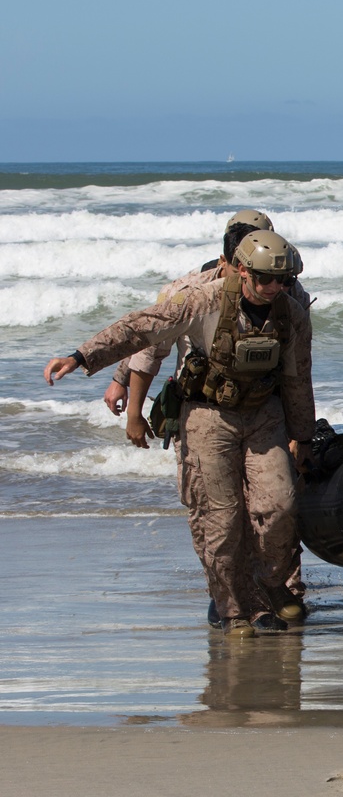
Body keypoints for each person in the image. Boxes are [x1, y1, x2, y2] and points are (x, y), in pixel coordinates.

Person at [44, 229, 314, 639]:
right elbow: (141, 329)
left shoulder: (289, 311)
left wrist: (304, 436)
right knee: (220, 520)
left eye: (284, 280)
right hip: (208, 416)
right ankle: (233, 610)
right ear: (242, 271)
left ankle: (269, 584)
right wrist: (82, 355)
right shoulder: (202, 299)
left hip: (264, 414)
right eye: (265, 279)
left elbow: (298, 378)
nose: (275, 288)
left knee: (281, 507)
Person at [102, 209, 275, 417]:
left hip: (259, 404)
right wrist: (120, 381)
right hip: (201, 404)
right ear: (226, 258)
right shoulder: (189, 289)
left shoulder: (281, 288)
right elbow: (150, 339)